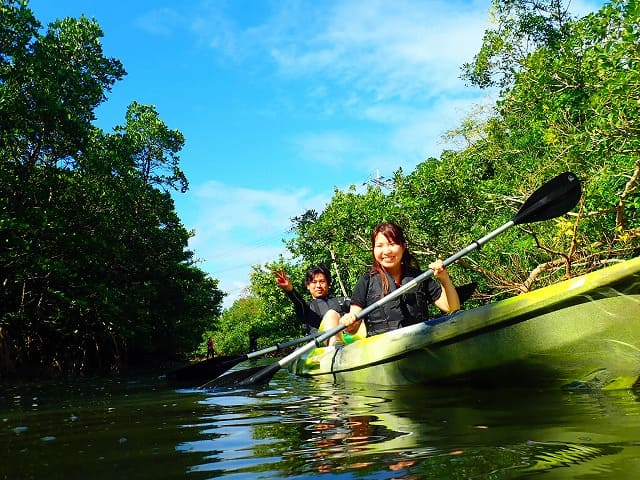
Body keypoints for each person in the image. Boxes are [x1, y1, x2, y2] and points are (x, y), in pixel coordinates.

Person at [322, 222, 460, 345]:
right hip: (381, 348)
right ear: (374, 249)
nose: (386, 251)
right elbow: (353, 329)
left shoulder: (419, 277)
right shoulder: (366, 281)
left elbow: (452, 307)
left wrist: (444, 278)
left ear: (403, 246)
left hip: (419, 341)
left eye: (392, 244)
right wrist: (348, 322)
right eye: (380, 246)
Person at [273, 265, 350, 335]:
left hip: (349, 341)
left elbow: (357, 304)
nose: (318, 286)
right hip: (322, 345)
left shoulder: (341, 301)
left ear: (328, 284)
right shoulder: (306, 308)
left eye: (322, 281)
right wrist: (290, 290)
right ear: (308, 286)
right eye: (314, 282)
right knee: (331, 314)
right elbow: (299, 303)